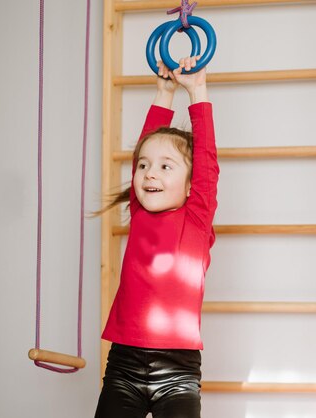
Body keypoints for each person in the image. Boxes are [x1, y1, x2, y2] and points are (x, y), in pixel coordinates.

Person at [94, 56, 219, 418]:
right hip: (123, 366)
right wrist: (163, 93)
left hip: (177, 372)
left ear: (191, 184)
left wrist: (197, 90)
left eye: (166, 167)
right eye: (145, 166)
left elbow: (208, 160)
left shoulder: (196, 217)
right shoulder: (139, 210)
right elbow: (143, 151)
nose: (149, 173)